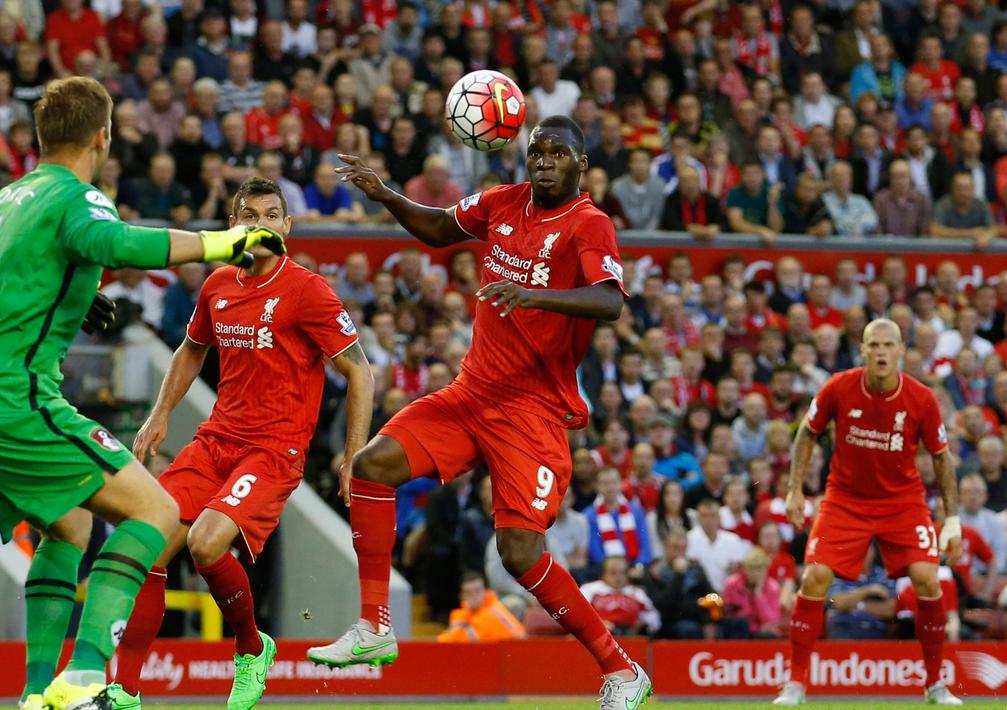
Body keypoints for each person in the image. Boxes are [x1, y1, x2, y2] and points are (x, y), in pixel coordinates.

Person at [0, 77, 285, 710]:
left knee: (69, 528)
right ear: (103, 136)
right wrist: (225, 244)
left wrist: (71, 291)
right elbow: (118, 243)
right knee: (157, 513)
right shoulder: (77, 197)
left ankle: (37, 694)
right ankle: (87, 676)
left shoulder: (1, 201)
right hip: (11, 400)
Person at [308, 115, 652, 709]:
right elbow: (439, 229)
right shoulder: (502, 201)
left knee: (519, 553)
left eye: (557, 153)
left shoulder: (589, 224)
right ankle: (375, 628)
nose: (543, 161)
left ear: (581, 165)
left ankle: (621, 670)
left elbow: (609, 301)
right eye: (537, 151)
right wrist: (388, 194)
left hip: (534, 413)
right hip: (472, 394)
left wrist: (532, 294)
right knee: (371, 466)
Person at [112, 177, 374, 710]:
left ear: (287, 226)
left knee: (207, 544)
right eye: (248, 215)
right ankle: (124, 692)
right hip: (217, 440)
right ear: (234, 227)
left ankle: (252, 649)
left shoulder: (307, 290)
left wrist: (353, 454)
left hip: (274, 451)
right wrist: (160, 415)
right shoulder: (218, 285)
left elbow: (359, 372)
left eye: (271, 214)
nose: (260, 224)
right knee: (147, 543)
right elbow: (191, 350)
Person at [774, 319, 962, 706]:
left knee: (929, 580)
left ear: (901, 351)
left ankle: (935, 684)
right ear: (862, 349)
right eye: (873, 344)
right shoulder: (838, 387)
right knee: (814, 577)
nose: (880, 352)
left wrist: (952, 518)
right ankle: (795, 683)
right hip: (845, 499)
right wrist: (794, 489)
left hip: (903, 502)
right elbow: (807, 433)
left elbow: (941, 459)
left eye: (887, 345)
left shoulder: (921, 398)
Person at [437, 571, 526, 642]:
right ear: (462, 596)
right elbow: (445, 642)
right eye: (468, 592)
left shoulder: (492, 613)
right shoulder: (463, 614)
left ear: (485, 591)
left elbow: (458, 641)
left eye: (477, 591)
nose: (474, 596)